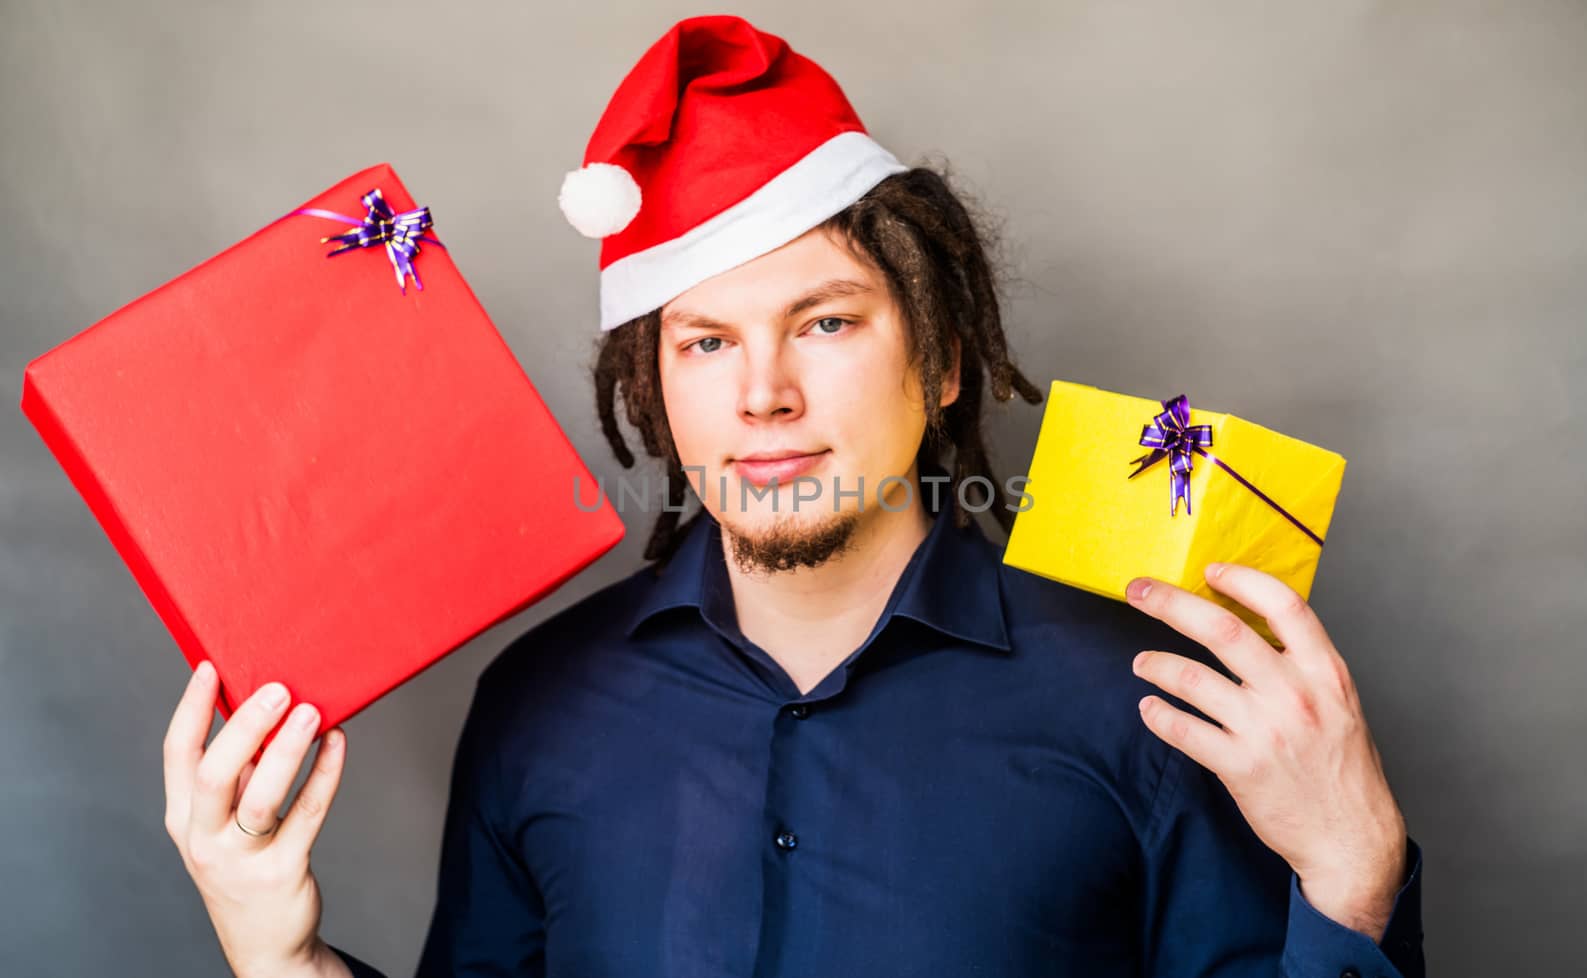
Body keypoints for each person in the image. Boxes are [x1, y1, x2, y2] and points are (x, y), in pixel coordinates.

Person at [162, 14, 1424, 978]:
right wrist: (280, 956)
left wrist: (1352, 882)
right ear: (655, 390)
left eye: (822, 323)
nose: (761, 393)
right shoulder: (536, 703)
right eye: (705, 341)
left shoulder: (1148, 702)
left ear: (938, 362)